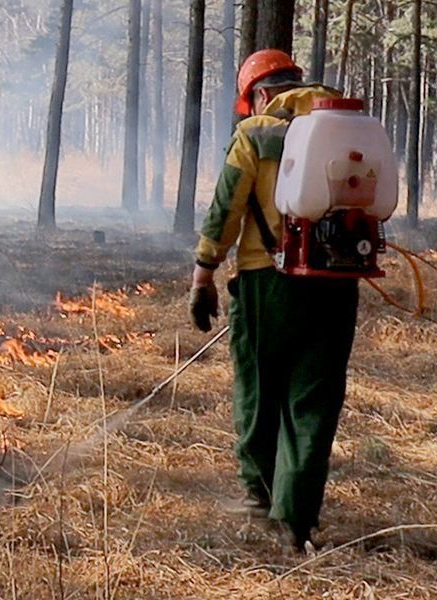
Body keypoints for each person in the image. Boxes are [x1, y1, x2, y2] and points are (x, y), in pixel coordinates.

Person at [188, 49, 358, 552]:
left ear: (261, 93)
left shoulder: (255, 133)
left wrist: (204, 275)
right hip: (337, 282)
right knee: (314, 400)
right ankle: (298, 518)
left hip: (269, 281)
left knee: (260, 388)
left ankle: (259, 497)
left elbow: (226, 209)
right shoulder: (347, 122)